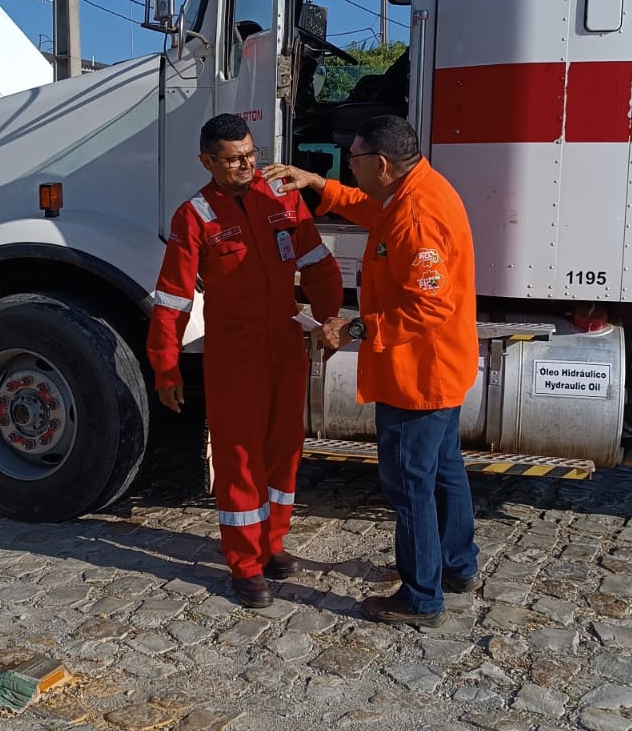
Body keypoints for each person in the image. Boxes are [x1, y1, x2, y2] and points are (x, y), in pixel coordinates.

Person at [265, 115, 479, 629]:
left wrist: (354, 329)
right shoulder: (413, 190)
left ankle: (421, 598)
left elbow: (429, 306)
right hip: (441, 367)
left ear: (380, 164)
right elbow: (370, 208)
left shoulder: (417, 216)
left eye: (354, 160)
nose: (349, 168)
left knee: (410, 484)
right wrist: (318, 184)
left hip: (417, 376)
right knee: (444, 470)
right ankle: (457, 565)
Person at [148, 113, 343, 608]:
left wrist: (329, 318)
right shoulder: (194, 216)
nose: (246, 165)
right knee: (239, 457)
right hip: (234, 353)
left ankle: (272, 543)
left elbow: (316, 263)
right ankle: (245, 564)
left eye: (251, 155)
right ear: (207, 161)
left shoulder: (279, 196)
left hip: (285, 343)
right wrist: (166, 366)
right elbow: (173, 298)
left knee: (284, 448)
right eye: (234, 159)